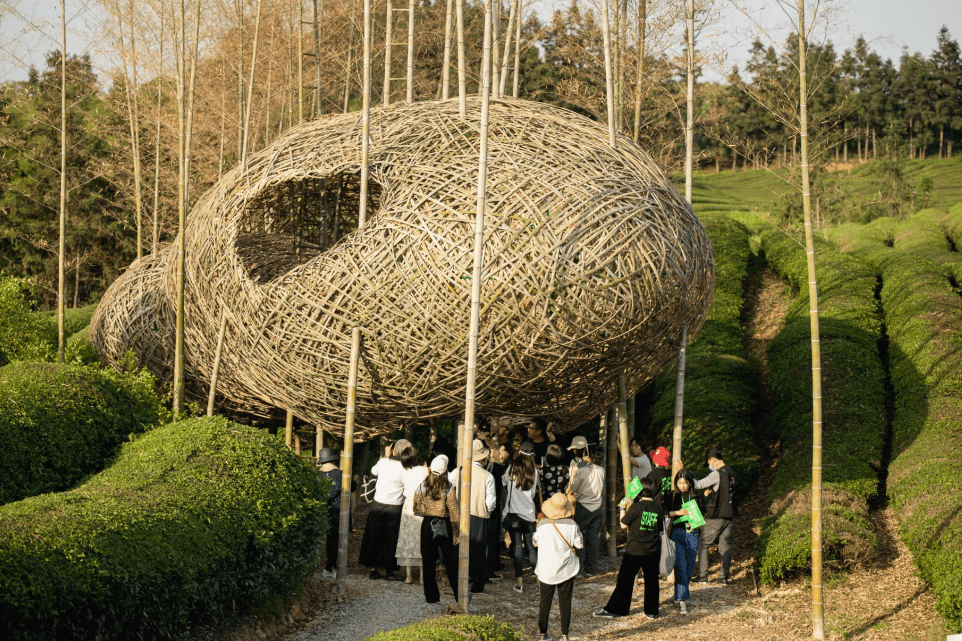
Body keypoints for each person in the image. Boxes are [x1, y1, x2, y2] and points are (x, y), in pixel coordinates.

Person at [594, 477, 664, 619]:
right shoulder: (658, 508)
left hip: (635, 550)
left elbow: (623, 525)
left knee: (625, 580)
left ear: (639, 492)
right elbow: (661, 531)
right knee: (651, 581)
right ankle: (651, 611)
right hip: (653, 550)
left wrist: (621, 508)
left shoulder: (636, 507)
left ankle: (619, 609)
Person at [533, 493, 583, 641]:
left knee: (544, 602)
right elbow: (579, 545)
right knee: (565, 602)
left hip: (546, 569)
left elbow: (535, 542)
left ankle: (543, 634)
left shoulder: (542, 525)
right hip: (566, 569)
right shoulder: (573, 525)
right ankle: (565, 635)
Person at [358, 439, 409, 580]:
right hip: (395, 506)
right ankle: (390, 571)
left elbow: (373, 471)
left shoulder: (382, 462)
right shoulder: (405, 467)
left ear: (393, 450)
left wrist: (386, 457)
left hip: (378, 503)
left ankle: (373, 569)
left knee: (375, 536)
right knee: (392, 539)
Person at [414, 455, 461, 604]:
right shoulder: (449, 487)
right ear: (445, 471)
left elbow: (416, 509)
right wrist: (457, 532)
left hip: (428, 524)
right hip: (445, 525)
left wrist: (428, 511)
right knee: (452, 563)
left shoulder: (422, 486)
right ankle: (459, 596)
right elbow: (454, 511)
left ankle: (432, 598)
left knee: (428, 562)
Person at [694, 446, 736, 586]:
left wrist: (685, 474)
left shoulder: (716, 474)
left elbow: (698, 484)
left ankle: (703, 576)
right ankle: (724, 578)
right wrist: (712, 489)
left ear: (713, 460)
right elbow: (725, 490)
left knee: (703, 544)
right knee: (725, 546)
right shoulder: (730, 472)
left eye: (709, 463)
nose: (709, 466)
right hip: (730, 515)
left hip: (717, 516)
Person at [503, 442, 539, 592]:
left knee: (517, 546)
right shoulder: (534, 471)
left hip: (514, 514)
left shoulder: (512, 467)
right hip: (529, 513)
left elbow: (504, 481)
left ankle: (520, 583)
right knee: (531, 547)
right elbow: (533, 492)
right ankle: (538, 582)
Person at [669, 468, 706, 613]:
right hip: (677, 533)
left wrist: (695, 524)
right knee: (681, 566)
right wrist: (676, 513)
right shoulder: (672, 497)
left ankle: (679, 594)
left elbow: (703, 517)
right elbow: (664, 512)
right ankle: (682, 600)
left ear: (690, 483)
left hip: (692, 534)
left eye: (685, 483)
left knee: (689, 567)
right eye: (679, 483)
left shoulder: (697, 497)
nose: (682, 486)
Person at [567, 436, 605, 577]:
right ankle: (591, 569)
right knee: (593, 538)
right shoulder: (601, 470)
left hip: (584, 507)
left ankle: (579, 569)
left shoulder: (580, 470)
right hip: (598, 507)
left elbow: (573, 487)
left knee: (580, 537)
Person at [396, 445, 430, 584]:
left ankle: (408, 575)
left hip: (409, 505)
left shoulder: (403, 471)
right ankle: (422, 576)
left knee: (407, 539)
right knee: (422, 539)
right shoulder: (425, 471)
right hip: (422, 504)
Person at [317, 447, 344, 580]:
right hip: (339, 512)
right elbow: (354, 485)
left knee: (330, 540)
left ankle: (330, 567)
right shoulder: (341, 474)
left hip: (324, 513)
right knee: (336, 541)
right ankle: (330, 567)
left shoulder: (319, 476)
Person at [486, 435, 510, 578]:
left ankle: (491, 564)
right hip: (495, 508)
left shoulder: (495, 469)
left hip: (493, 509)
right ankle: (492, 563)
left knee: (492, 538)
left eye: (498, 449)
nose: (496, 450)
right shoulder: (496, 469)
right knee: (493, 538)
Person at [646, 446, 673, 513]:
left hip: (652, 508)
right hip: (666, 508)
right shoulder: (669, 474)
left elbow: (647, 491)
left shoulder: (653, 474)